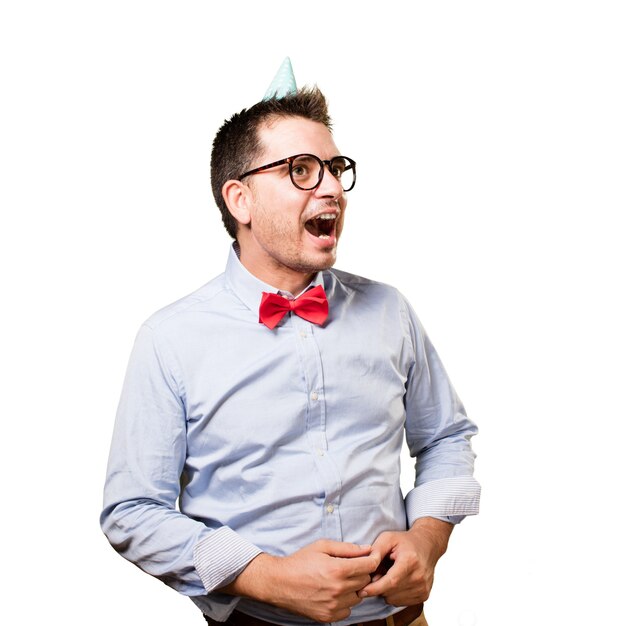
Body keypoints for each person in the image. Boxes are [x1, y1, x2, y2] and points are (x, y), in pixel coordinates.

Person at [101, 58, 480, 626]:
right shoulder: (170, 339)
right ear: (241, 200)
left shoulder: (390, 311)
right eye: (301, 170)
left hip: (400, 619)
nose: (331, 188)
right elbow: (131, 512)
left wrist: (427, 538)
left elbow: (447, 438)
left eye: (334, 168)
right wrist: (266, 577)